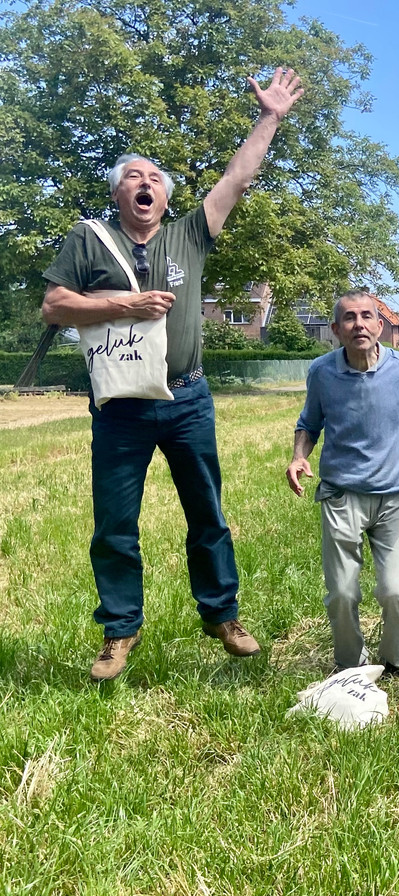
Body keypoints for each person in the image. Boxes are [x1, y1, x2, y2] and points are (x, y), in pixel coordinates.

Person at [41, 67, 304, 680]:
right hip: (121, 409)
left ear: (164, 196)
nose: (146, 182)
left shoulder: (190, 234)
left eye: (155, 178)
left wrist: (270, 117)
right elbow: (55, 306)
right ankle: (118, 632)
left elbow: (238, 178)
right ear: (118, 194)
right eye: (134, 176)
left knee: (207, 513)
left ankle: (222, 614)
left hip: (188, 400)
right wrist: (121, 305)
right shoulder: (89, 240)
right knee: (114, 523)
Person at [286, 291, 399, 674]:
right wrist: (299, 456)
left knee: (395, 590)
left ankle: (396, 660)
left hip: (393, 496)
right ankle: (349, 665)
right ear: (336, 330)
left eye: (367, 316)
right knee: (341, 592)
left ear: (380, 325)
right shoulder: (322, 372)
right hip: (341, 493)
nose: (359, 324)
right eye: (349, 318)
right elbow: (309, 423)